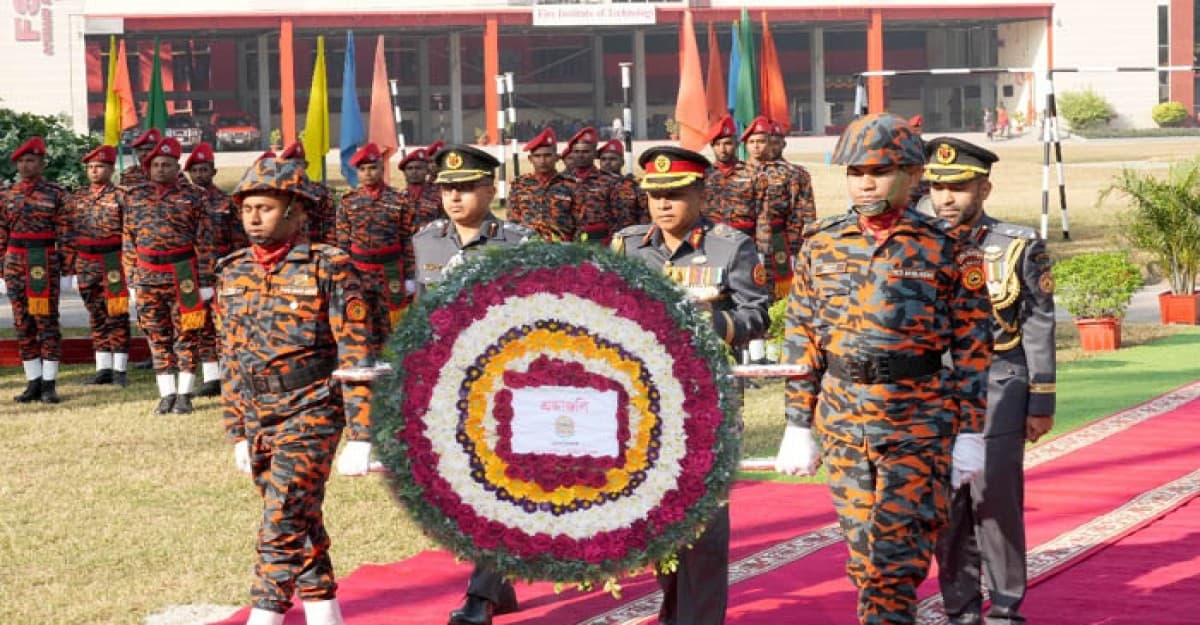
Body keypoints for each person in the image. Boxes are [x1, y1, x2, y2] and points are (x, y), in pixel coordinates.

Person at [774, 112, 993, 625]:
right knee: (865, 560)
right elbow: (801, 336)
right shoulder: (822, 243)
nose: (865, 183)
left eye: (878, 171)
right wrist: (797, 423)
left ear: (913, 175)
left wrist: (971, 430)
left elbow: (973, 345)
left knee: (896, 562)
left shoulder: (948, 245)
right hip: (843, 420)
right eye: (855, 172)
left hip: (916, 421)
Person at [610, 146, 770, 625]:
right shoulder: (628, 246)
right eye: (655, 195)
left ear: (701, 194)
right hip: (645, 403)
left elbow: (757, 315)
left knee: (703, 520)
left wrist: (709, 323)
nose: (663, 204)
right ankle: (674, 610)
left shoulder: (729, 246)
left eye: (676, 194)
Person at [216, 156, 375, 625]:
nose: (253, 218)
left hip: (312, 408)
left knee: (282, 519)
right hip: (258, 413)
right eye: (247, 209)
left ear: (297, 212)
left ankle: (264, 616)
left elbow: (356, 351)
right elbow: (230, 356)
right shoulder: (231, 271)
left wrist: (362, 434)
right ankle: (326, 614)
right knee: (299, 518)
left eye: (265, 208)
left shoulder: (330, 266)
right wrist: (237, 430)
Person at [925, 136, 1056, 625]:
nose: (946, 198)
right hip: (935, 389)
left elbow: (1038, 323)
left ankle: (1004, 608)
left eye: (959, 187)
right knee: (946, 504)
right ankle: (960, 610)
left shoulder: (1016, 245)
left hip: (1000, 380)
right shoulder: (917, 244)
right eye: (937, 187)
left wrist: (1041, 399)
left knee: (994, 499)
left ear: (984, 189)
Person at [416, 145, 536, 625]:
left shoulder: (519, 242)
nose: (454, 196)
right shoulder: (426, 241)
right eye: (447, 188)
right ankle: (499, 585)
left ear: (491, 189)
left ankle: (481, 597)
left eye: (465, 187)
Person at [121, 136, 215, 415]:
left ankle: (184, 394)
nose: (160, 169)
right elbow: (128, 240)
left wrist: (205, 281)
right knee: (156, 336)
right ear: (148, 168)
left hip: (182, 274)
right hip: (147, 275)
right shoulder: (135, 196)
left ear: (177, 168)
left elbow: (205, 241)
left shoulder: (195, 196)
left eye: (167, 164)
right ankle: (166, 394)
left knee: (187, 335)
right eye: (156, 165)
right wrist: (131, 279)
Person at [1, 136, 70, 403]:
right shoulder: (6, 195)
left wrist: (66, 266)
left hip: (45, 261)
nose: (25, 166)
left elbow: (65, 232)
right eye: (21, 161)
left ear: (42, 163)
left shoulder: (56, 193)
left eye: (31, 160)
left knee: (47, 322)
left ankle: (49, 384)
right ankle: (33, 381)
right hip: (16, 262)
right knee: (23, 323)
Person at [335, 142, 413, 359]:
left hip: (390, 270)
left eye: (372, 168)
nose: (368, 173)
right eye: (362, 169)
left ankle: (393, 362)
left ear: (382, 168)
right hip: (359, 270)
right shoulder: (348, 201)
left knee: (393, 322)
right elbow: (342, 241)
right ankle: (364, 361)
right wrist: (343, 274)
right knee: (361, 317)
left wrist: (410, 276)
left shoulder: (399, 199)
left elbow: (407, 239)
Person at [62, 144, 132, 387]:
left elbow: (130, 232)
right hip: (86, 262)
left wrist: (130, 266)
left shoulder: (122, 196)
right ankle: (103, 368)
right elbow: (68, 232)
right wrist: (69, 266)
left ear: (111, 169)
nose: (94, 171)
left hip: (113, 262)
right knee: (96, 315)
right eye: (90, 167)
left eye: (100, 166)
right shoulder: (77, 197)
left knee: (117, 315)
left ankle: (119, 370)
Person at [185, 141, 245, 397]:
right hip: (189, 273)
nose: (200, 175)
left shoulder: (226, 202)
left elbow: (238, 240)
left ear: (214, 171)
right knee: (200, 326)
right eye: (195, 170)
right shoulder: (181, 201)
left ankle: (230, 374)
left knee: (224, 324)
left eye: (204, 170)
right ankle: (211, 377)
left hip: (221, 273)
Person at [506, 127, 578, 241]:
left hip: (562, 245)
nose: (542, 161)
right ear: (530, 159)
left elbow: (580, 222)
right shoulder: (519, 185)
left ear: (557, 157)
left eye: (547, 155)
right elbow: (513, 221)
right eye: (537, 156)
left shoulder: (571, 185)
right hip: (528, 245)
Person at [562, 126, 627, 244]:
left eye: (586, 152)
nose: (580, 155)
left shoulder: (610, 181)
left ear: (594, 154)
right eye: (576, 152)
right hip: (570, 243)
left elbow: (620, 217)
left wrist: (612, 243)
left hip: (602, 242)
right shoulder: (561, 182)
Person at [280, 142, 337, 245]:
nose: (296, 169)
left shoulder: (321, 192)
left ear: (305, 166)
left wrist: (328, 249)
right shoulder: (278, 192)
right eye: (290, 165)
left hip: (315, 247)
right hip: (284, 247)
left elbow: (330, 224)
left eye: (299, 165)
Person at [596, 138, 645, 226]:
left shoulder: (633, 185)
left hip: (628, 232)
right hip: (599, 233)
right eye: (603, 159)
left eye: (613, 159)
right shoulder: (592, 185)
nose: (607, 163)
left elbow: (643, 213)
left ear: (622, 162)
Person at [397, 148, 443, 230]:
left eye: (418, 168)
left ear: (427, 171)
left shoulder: (440, 195)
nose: (414, 172)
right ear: (404, 172)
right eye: (409, 168)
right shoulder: (397, 197)